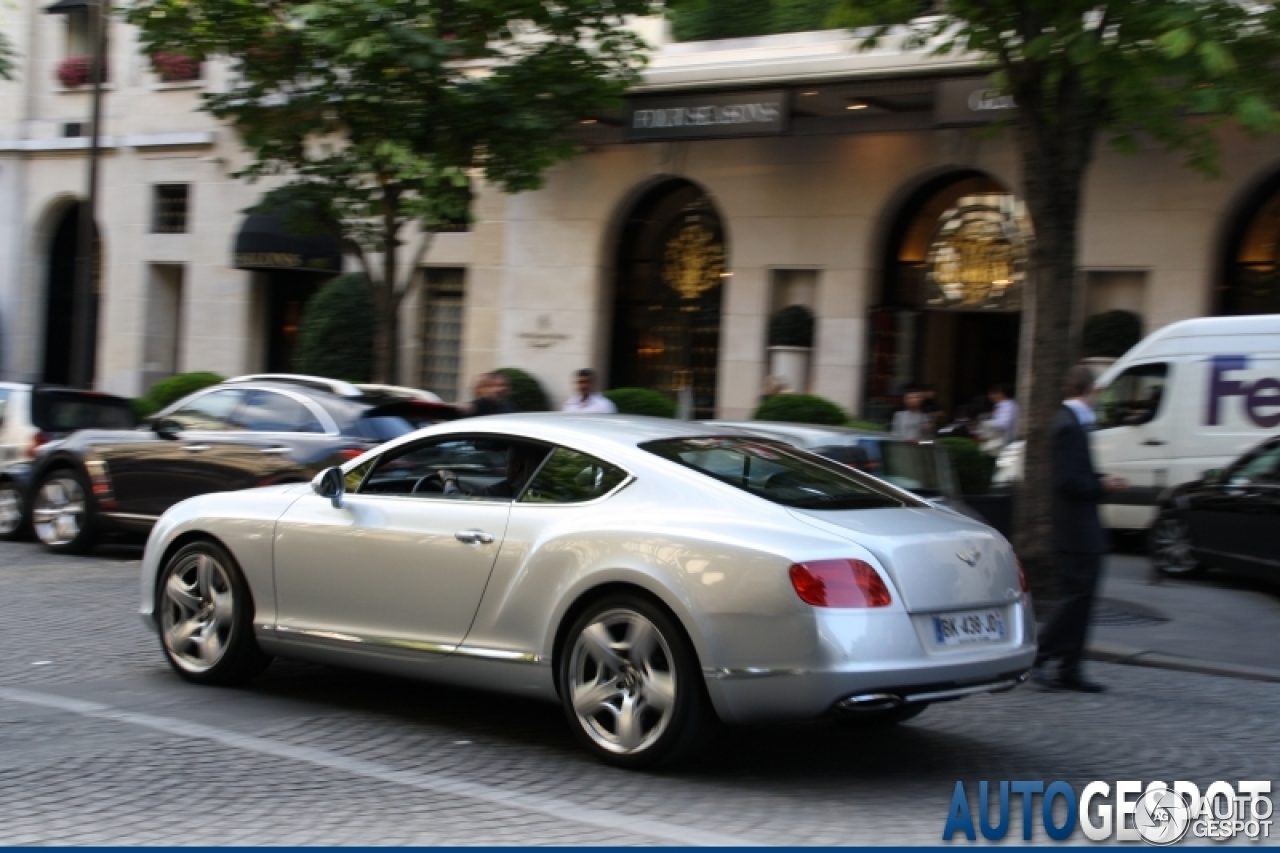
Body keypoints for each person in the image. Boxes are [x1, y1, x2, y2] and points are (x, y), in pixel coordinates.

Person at [1032, 365, 1128, 693]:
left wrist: (1098, 482)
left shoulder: (1072, 424)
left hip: (1079, 527)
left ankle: (1070, 667)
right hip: (1076, 529)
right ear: (1091, 389)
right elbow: (1069, 481)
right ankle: (1042, 654)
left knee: (1082, 597)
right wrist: (1104, 485)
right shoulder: (1068, 427)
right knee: (1076, 596)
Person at [440, 444, 545, 499]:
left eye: (507, 463)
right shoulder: (543, 490)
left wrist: (450, 481)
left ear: (516, 466)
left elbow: (459, 503)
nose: (505, 468)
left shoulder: (506, 490)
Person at [985, 384, 1019, 451]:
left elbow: (1002, 425)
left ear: (1001, 394)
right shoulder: (1008, 405)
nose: (990, 397)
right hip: (1005, 443)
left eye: (992, 394)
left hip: (1005, 444)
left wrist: (985, 425)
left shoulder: (1007, 406)